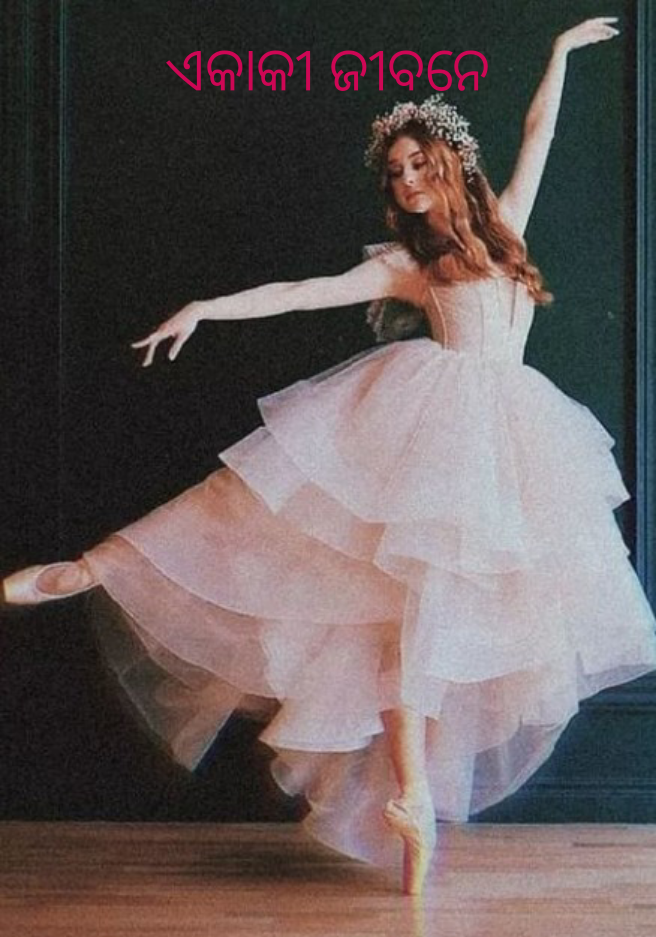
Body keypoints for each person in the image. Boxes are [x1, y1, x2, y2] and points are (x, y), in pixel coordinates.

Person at [3, 16, 655, 898]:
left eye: (419, 164)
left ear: (450, 165)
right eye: (396, 172)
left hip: (509, 437)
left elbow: (538, 132)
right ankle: (94, 568)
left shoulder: (505, 227)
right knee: (293, 535)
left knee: (435, 620)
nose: (407, 180)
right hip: (432, 429)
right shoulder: (406, 265)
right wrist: (205, 307)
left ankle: (415, 799)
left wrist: (560, 53)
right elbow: (300, 292)